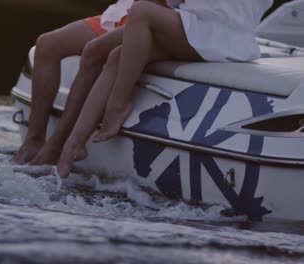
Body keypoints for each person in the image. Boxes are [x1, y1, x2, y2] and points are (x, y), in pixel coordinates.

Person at [54, 0, 274, 178]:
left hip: (215, 34)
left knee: (142, 10)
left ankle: (117, 104)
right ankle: (73, 146)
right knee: (117, 56)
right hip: (202, 30)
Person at [15, 0, 163, 165]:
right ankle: (33, 141)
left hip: (151, 21)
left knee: (93, 52)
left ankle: (56, 146)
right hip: (124, 13)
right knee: (46, 43)